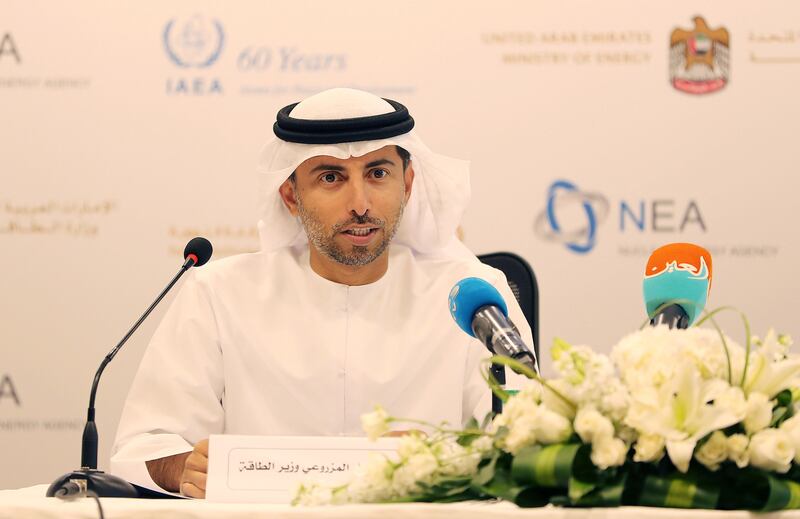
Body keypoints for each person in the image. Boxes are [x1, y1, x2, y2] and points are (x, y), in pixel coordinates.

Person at [110, 88, 532, 498]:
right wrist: (181, 467)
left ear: (407, 184)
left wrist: (445, 461)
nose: (360, 203)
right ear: (291, 196)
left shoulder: (472, 294)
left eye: (377, 174)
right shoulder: (219, 293)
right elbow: (147, 444)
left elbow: (527, 438)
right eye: (331, 177)